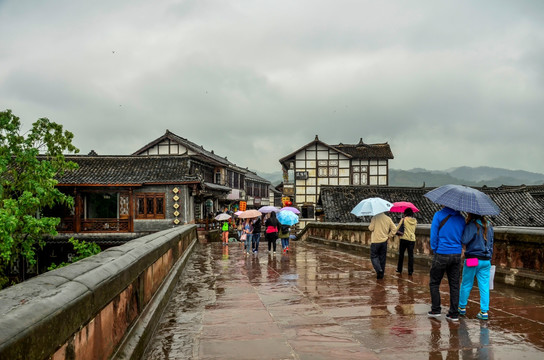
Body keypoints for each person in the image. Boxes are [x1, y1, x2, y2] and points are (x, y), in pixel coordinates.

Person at [428, 206, 466, 321]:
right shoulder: (461, 218)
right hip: (456, 255)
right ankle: (453, 313)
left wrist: (435, 249)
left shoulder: (438, 215)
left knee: (434, 282)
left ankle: (436, 309)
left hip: (441, 252)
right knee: (454, 285)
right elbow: (463, 238)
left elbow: (434, 235)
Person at [458, 213, 494, 321]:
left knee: (466, 283)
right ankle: (484, 311)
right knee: (484, 286)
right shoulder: (489, 225)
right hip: (486, 260)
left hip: (473, 258)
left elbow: (464, 240)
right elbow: (491, 243)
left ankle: (462, 307)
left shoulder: (472, 225)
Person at [368, 212, 397, 279]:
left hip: (375, 241)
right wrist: (389, 236)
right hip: (384, 241)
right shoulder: (388, 218)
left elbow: (371, 228)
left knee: (374, 256)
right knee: (382, 258)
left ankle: (378, 269)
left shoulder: (375, 217)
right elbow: (394, 229)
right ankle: (381, 275)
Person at [395, 208, 418, 275]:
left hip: (404, 238)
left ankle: (399, 269)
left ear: (405, 213)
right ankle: (410, 271)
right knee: (410, 256)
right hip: (412, 239)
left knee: (401, 254)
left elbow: (397, 229)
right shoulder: (415, 221)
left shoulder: (403, 220)